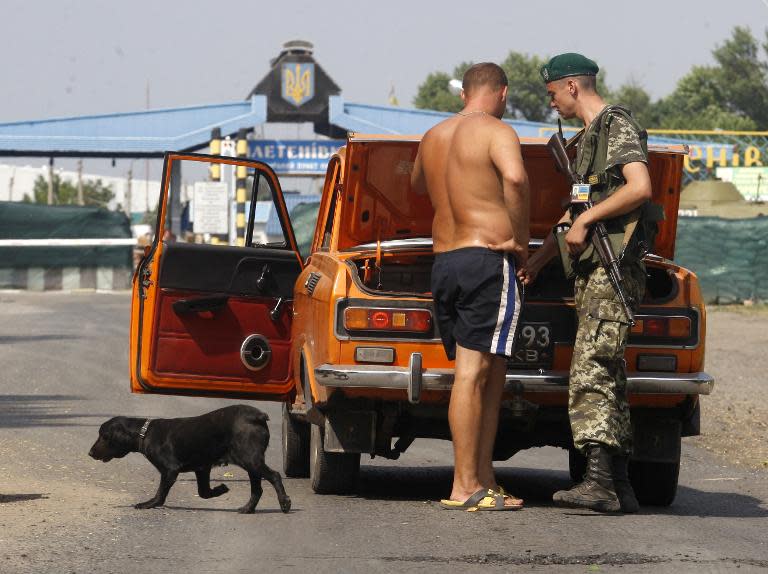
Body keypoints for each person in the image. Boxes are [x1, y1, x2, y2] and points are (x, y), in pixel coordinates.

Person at [524, 53, 653, 513]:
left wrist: (588, 221)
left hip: (609, 270)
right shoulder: (589, 140)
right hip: (592, 271)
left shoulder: (615, 123)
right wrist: (539, 261)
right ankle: (619, 484)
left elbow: (639, 187)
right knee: (610, 375)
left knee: (592, 370)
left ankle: (598, 481)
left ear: (573, 87)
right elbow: (573, 214)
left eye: (553, 93)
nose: (552, 103)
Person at [411, 62, 530, 511]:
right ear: (501, 93)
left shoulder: (434, 135)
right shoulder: (498, 131)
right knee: (473, 373)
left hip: (446, 261)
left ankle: (483, 478)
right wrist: (518, 239)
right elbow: (516, 178)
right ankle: (463, 487)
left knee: (488, 373)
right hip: (487, 258)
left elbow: (417, 183)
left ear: (464, 93)